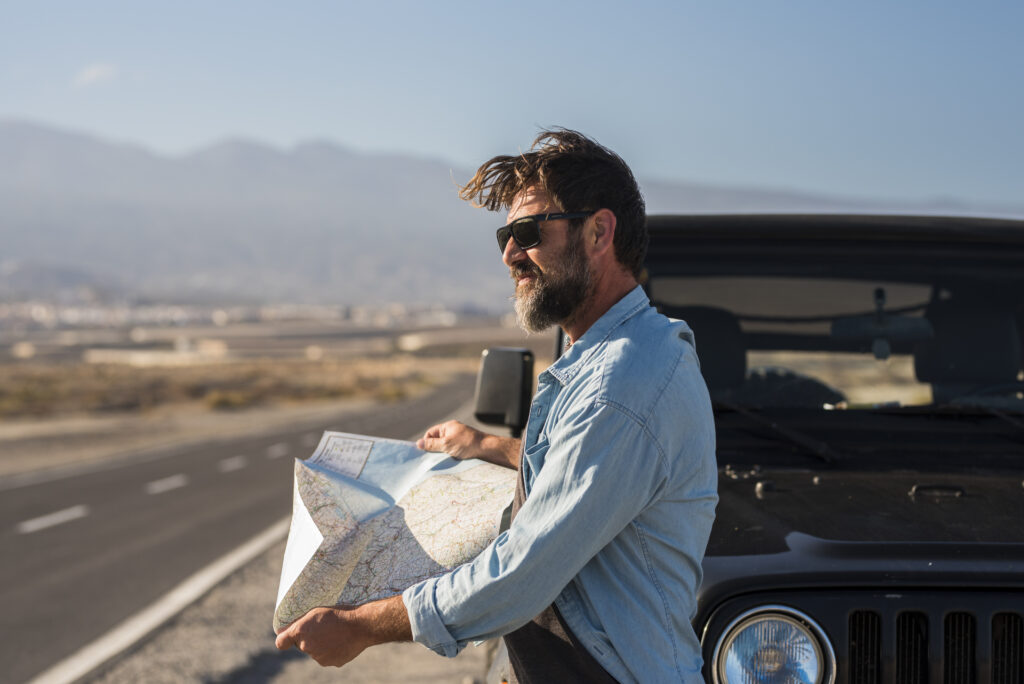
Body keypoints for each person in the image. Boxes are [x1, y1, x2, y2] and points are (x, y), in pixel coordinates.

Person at [275, 129, 718, 682]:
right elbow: (582, 471)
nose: (511, 253)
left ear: (599, 232)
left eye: (529, 232)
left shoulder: (621, 382)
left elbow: (521, 573)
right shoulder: (611, 360)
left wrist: (362, 625)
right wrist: (486, 446)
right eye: (505, 236)